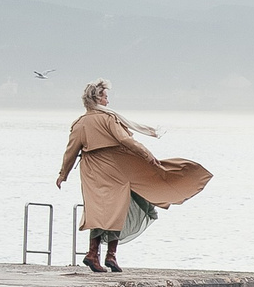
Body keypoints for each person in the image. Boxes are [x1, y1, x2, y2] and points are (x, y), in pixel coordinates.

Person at [56, 81, 212, 273]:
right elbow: (125, 140)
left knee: (100, 210)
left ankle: (97, 254)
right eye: (105, 96)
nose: (107, 99)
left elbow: (71, 151)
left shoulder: (80, 123)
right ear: (97, 98)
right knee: (115, 210)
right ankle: (105, 255)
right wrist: (148, 155)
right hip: (114, 168)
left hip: (92, 171)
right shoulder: (108, 119)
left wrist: (63, 174)